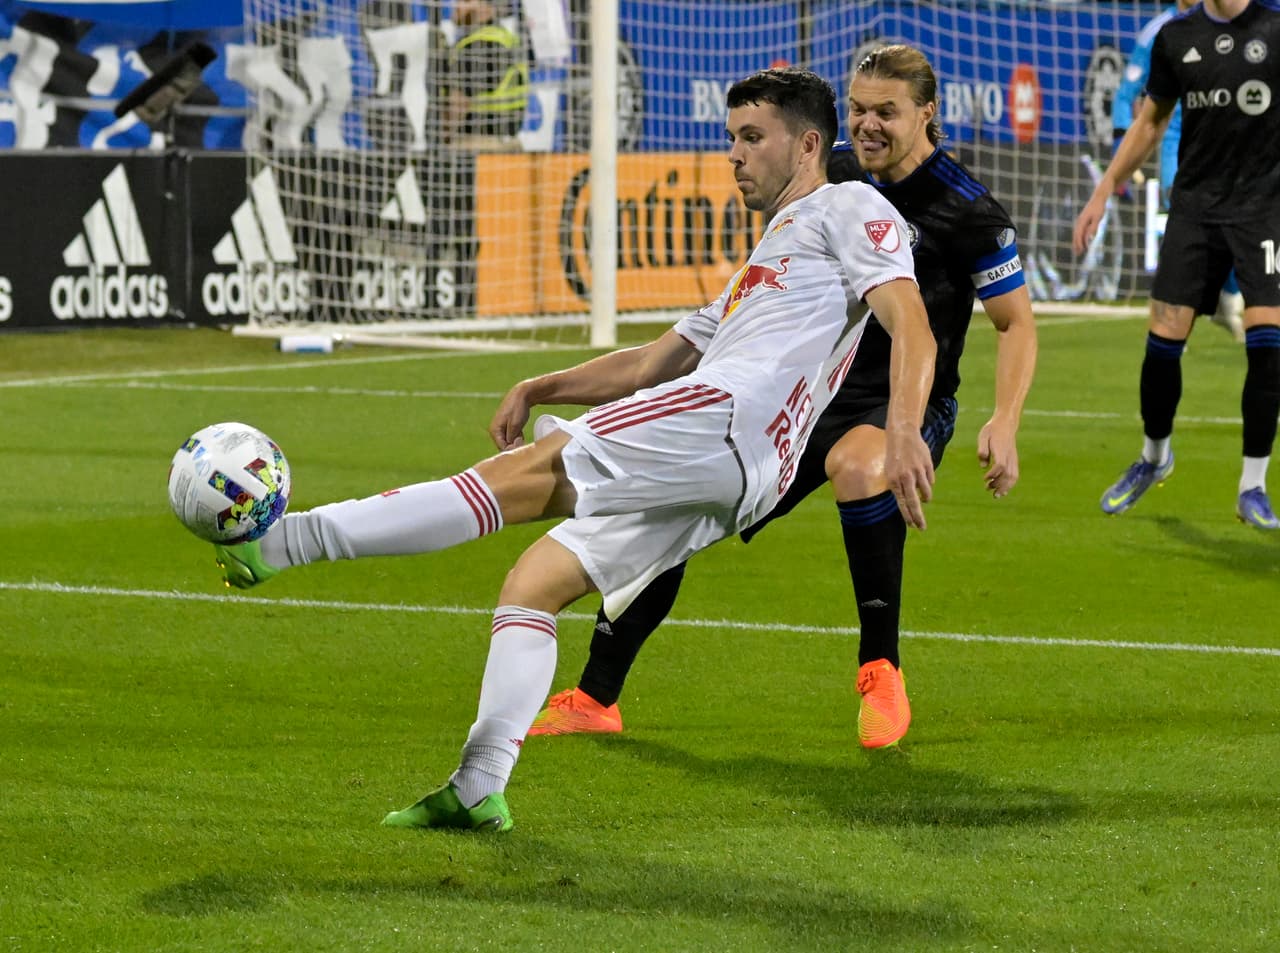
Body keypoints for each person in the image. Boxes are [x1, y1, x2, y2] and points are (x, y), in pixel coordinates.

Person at [210, 67, 938, 831]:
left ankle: (282, 543)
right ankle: (477, 784)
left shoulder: (849, 204)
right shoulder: (763, 262)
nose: (735, 156)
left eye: (753, 138)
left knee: (514, 479)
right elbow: (655, 361)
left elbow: (911, 324)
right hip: (736, 461)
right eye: (731, 139)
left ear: (809, 144)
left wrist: (903, 429)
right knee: (535, 583)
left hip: (727, 420)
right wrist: (541, 384)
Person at [526, 45, 1038, 748]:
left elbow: (1015, 325)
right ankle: (596, 694)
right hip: (801, 399)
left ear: (927, 113)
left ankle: (881, 669)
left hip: (900, 406)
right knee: (680, 493)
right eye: (857, 109)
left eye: (886, 111)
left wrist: (1000, 420)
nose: (867, 124)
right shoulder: (833, 180)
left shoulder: (967, 210)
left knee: (862, 467)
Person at [1075, 0, 1280, 530]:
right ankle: (1154, 454)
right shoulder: (1174, 37)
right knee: (1163, 343)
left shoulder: (1275, 27)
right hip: (1195, 211)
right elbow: (1150, 122)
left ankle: (1253, 485)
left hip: (1262, 213)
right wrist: (1104, 190)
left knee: (1268, 345)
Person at [1111, 0, 1243, 341]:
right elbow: (1125, 95)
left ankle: (1226, 299)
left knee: (1226, 227)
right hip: (1177, 146)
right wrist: (1118, 150)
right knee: (1186, 225)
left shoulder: (1230, 22)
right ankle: (1173, 322)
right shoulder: (1159, 31)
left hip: (1225, 145)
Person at [443, 0, 529, 152]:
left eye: (466, 1)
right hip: (507, 141)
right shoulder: (503, 36)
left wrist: (440, 139)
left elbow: (458, 103)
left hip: (479, 145)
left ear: (485, 6)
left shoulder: (479, 45)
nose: (457, 6)